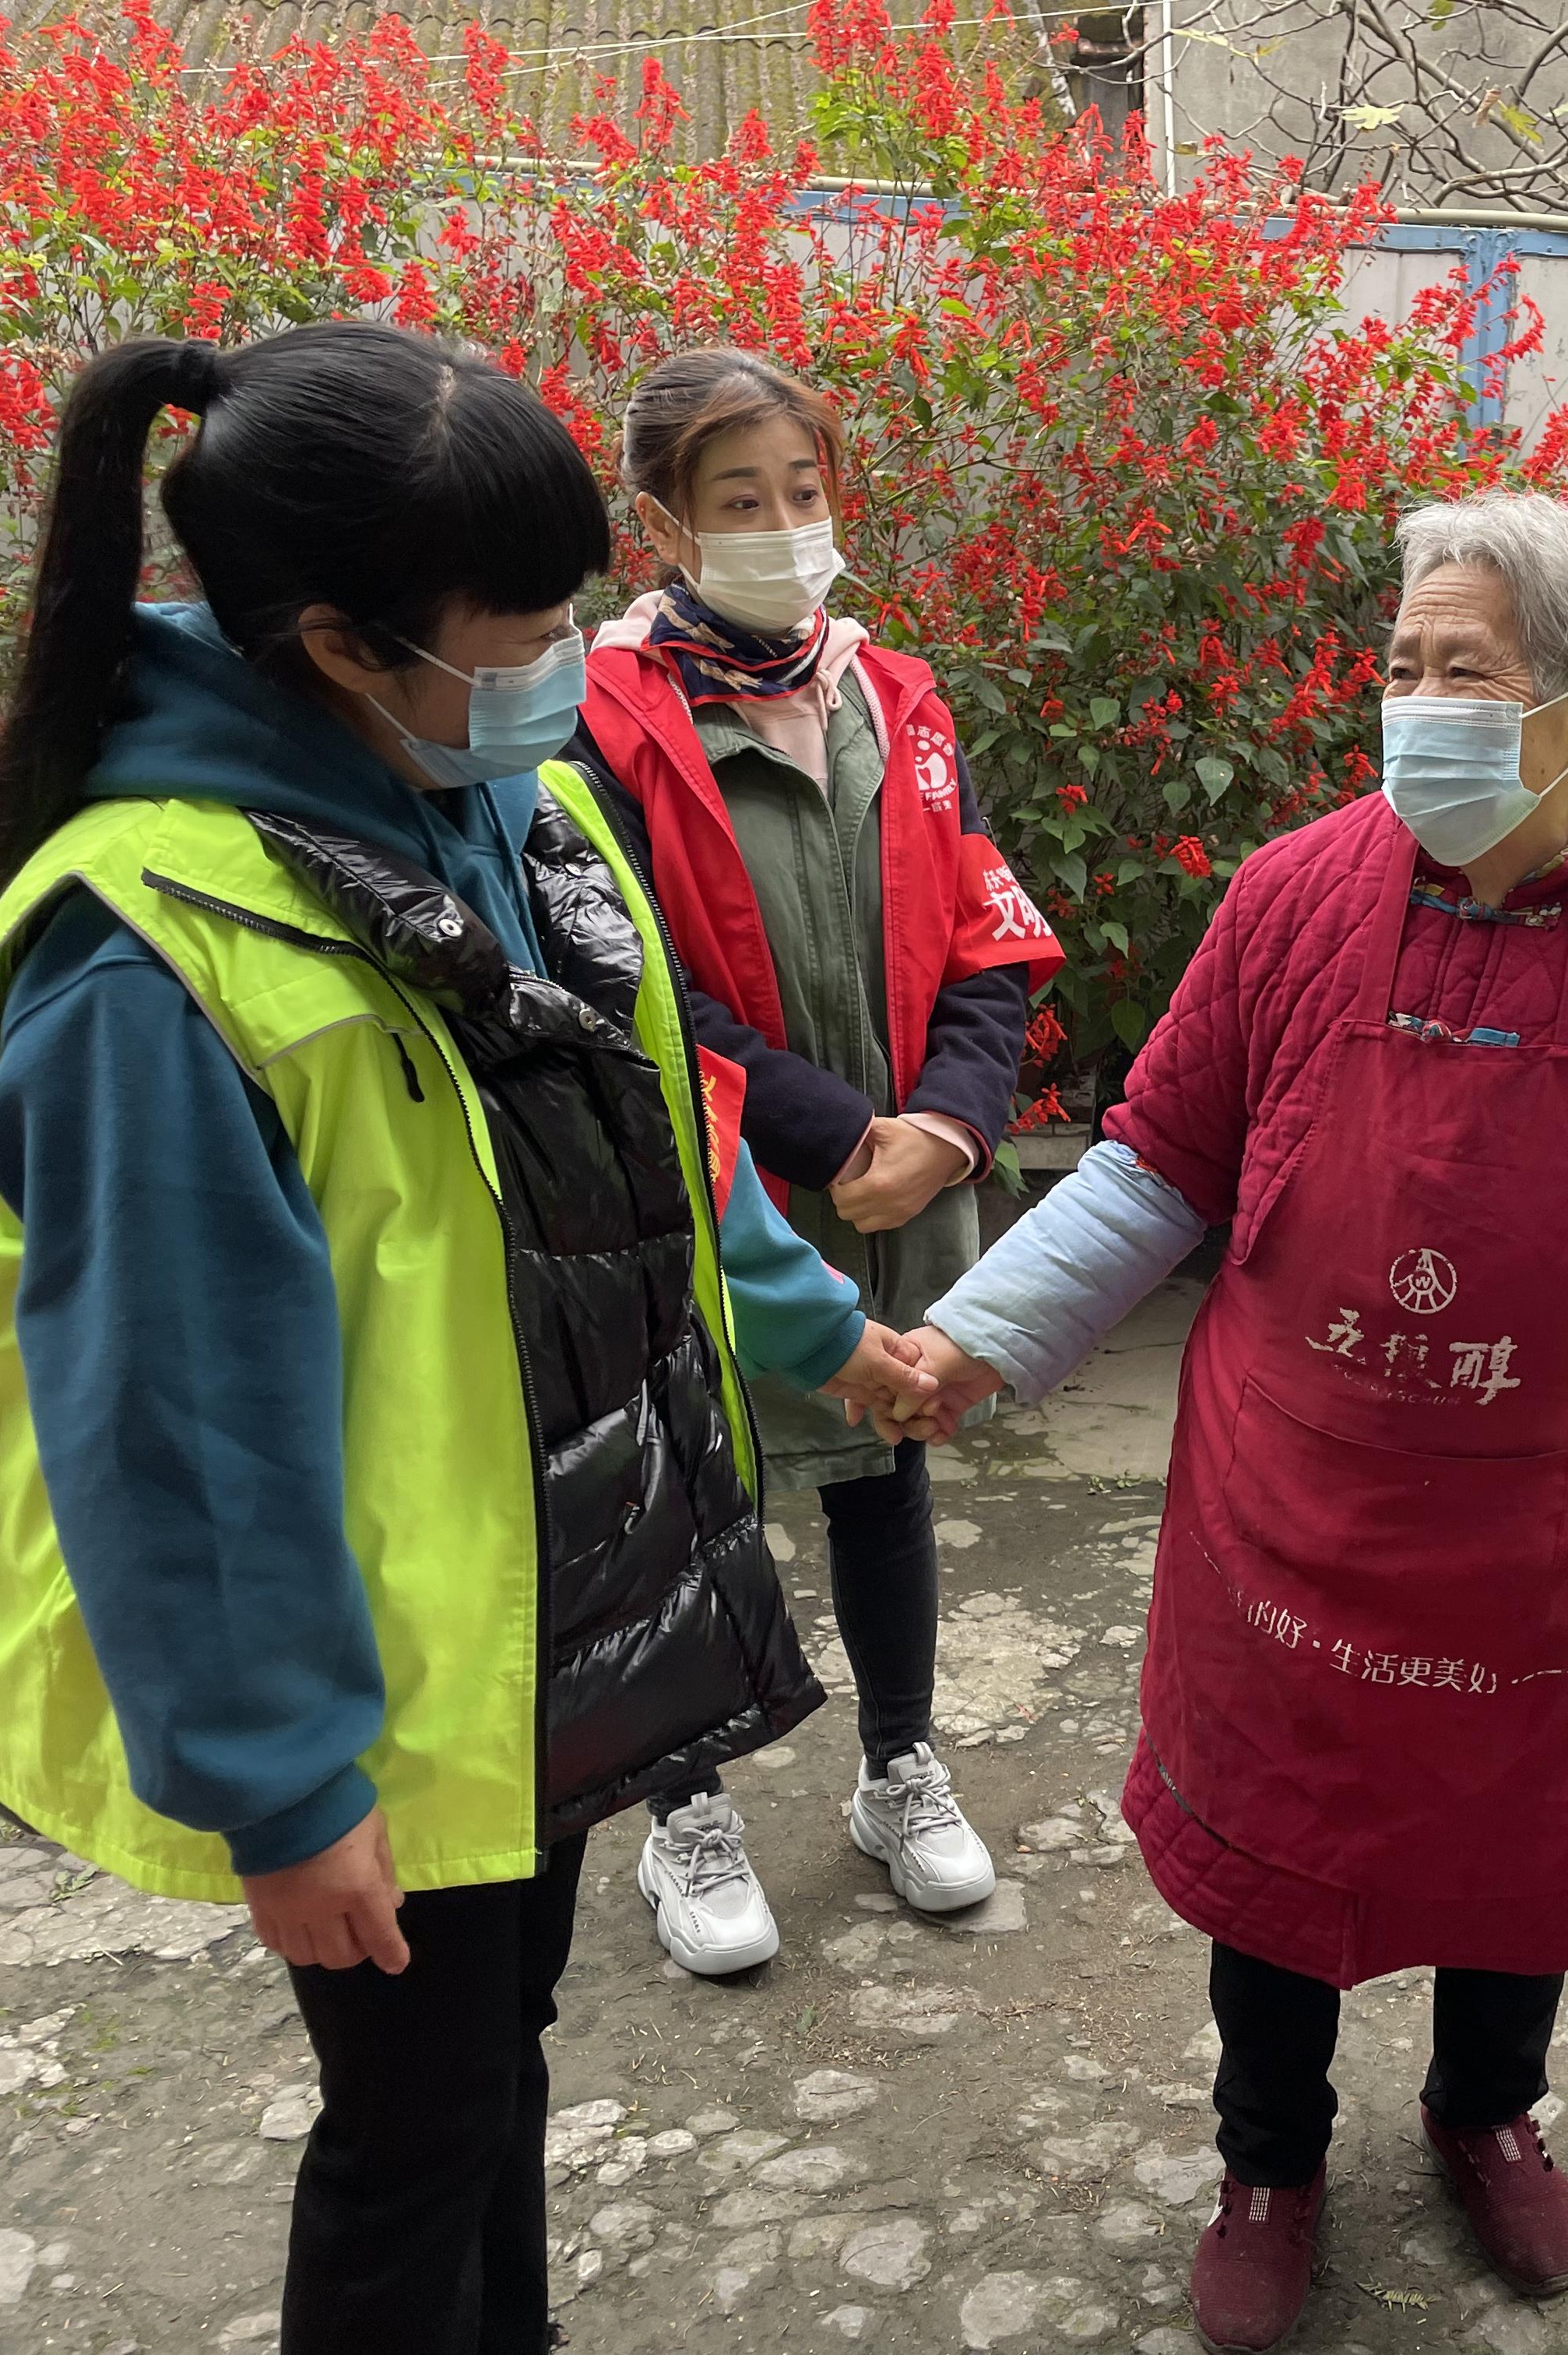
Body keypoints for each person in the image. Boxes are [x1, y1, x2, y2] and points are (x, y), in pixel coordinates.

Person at [0, 323, 937, 2355]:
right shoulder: (154, 955)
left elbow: (648, 1121)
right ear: (340, 643)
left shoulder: (504, 807)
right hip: (379, 1680)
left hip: (548, 1612)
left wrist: (820, 1332)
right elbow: (176, 1432)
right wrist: (282, 1787)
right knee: (409, 2134)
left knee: (489, 2073)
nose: (565, 664)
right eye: (522, 629)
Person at [875, 494, 1568, 2351]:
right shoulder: (1293, 894)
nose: (1411, 703)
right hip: (1297, 1510)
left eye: (1464, 673)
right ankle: (1269, 2158)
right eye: (1403, 665)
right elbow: (1161, 1160)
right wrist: (977, 1341)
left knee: (1527, 1842)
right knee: (1282, 1841)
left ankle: (1487, 2111)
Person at [571, 349, 1063, 1969]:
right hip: (731, 1175)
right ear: (657, 520)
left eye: (804, 492)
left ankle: (896, 1766)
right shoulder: (602, 725)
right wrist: (838, 1133)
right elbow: (640, 984)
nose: (788, 529)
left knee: (885, 1458)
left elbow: (988, 933)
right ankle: (687, 1803)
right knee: (698, 1490)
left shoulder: (893, 698)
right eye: (738, 502)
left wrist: (951, 1127)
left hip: (903, 1174)